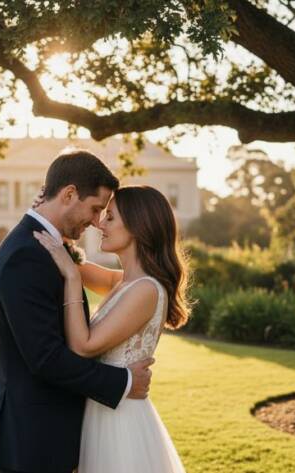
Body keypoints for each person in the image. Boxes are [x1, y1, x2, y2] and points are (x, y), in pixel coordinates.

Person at [0, 149, 155, 473]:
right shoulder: (26, 256)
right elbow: (46, 358)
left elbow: (118, 281)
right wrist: (124, 382)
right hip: (33, 439)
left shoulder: (44, 246)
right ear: (69, 194)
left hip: (47, 434)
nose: (97, 221)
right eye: (96, 209)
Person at [34, 184, 190, 473]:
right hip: (103, 409)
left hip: (120, 422)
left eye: (110, 217)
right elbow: (69, 258)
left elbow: (84, 346)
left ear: (137, 226)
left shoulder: (146, 290)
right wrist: (47, 212)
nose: (99, 224)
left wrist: (72, 279)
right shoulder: (124, 282)